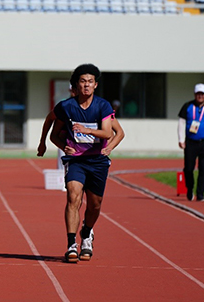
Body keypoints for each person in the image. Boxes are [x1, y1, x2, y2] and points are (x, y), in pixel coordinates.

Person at [50, 64, 121, 263]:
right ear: (76, 85)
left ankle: (87, 233)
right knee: (73, 197)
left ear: (95, 85)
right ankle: (71, 244)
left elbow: (110, 133)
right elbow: (54, 134)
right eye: (83, 81)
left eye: (90, 81)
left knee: (95, 205)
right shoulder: (67, 107)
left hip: (97, 161)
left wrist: (106, 144)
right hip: (76, 160)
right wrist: (64, 147)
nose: (86, 85)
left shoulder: (103, 106)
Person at [177, 83, 204, 202]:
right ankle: (189, 188)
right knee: (188, 169)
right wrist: (180, 139)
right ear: (195, 94)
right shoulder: (188, 106)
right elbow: (181, 123)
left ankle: (200, 194)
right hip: (190, 142)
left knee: (203, 169)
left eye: (202, 94)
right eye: (198, 94)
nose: (200, 96)